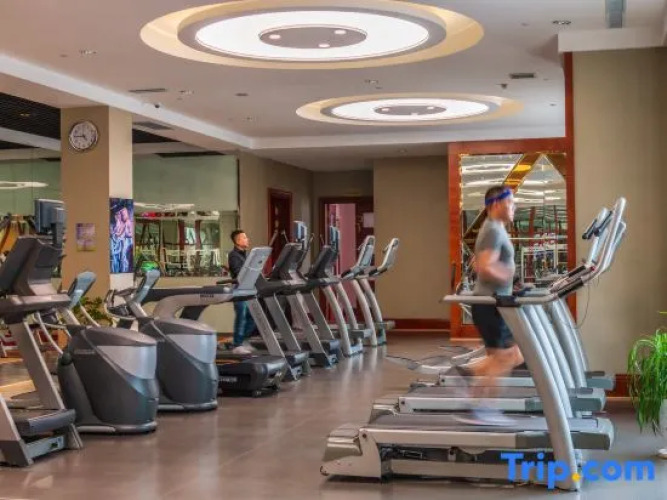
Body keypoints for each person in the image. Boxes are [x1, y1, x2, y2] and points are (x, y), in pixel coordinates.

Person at [461, 185, 525, 425]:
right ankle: (482, 405)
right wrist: (508, 275)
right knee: (506, 357)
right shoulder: (492, 230)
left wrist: (511, 284)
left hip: (494, 303)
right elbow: (484, 266)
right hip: (490, 304)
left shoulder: (495, 228)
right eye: (510, 203)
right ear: (496, 204)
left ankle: (475, 387)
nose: (514, 207)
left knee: (510, 356)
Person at [228, 229, 257, 355]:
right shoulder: (233, 255)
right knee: (241, 316)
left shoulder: (246, 254)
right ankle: (237, 344)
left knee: (253, 317)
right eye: (244, 238)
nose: (247, 239)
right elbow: (238, 271)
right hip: (239, 289)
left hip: (248, 288)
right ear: (238, 241)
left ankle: (243, 340)